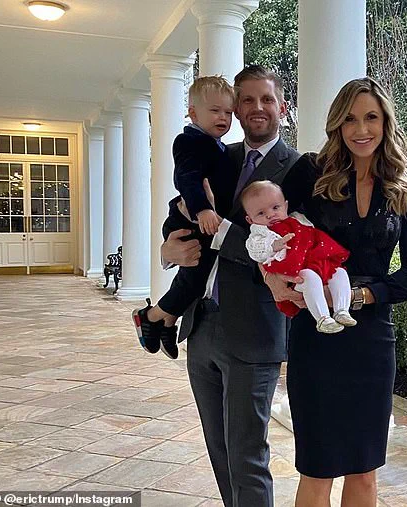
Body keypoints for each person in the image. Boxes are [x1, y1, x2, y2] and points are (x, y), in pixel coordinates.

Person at [271, 77, 407, 506]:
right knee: (317, 470)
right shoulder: (309, 173)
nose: (361, 129)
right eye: (351, 119)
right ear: (337, 125)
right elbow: (269, 232)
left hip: (372, 342)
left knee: (364, 472)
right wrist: (275, 280)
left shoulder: (405, 192)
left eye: (371, 117)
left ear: (385, 122)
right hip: (316, 337)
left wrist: (362, 296)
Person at [159, 65, 300, 507]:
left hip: (255, 334)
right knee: (219, 452)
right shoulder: (219, 154)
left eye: (267, 99)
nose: (257, 108)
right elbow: (178, 209)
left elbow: (282, 247)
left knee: (247, 457)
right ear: (237, 109)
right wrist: (168, 248)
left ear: (282, 107)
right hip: (202, 327)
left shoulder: (298, 169)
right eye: (248, 100)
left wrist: (220, 232)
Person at [132, 76, 235, 360]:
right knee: (194, 278)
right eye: (215, 111)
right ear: (193, 113)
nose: (223, 117)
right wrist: (202, 209)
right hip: (191, 220)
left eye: (228, 112)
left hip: (203, 223)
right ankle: (151, 316)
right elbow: (187, 179)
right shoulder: (189, 141)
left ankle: (167, 322)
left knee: (194, 277)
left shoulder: (221, 147)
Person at [241, 180, 356, 333]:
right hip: (293, 273)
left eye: (275, 207)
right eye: (261, 213)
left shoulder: (297, 219)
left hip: (317, 263)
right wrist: (273, 245)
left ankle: (342, 310)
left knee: (339, 273)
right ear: (250, 219)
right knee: (309, 278)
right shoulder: (260, 233)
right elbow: (254, 250)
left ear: (286, 206)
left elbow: (312, 233)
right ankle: (322, 318)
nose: (270, 215)